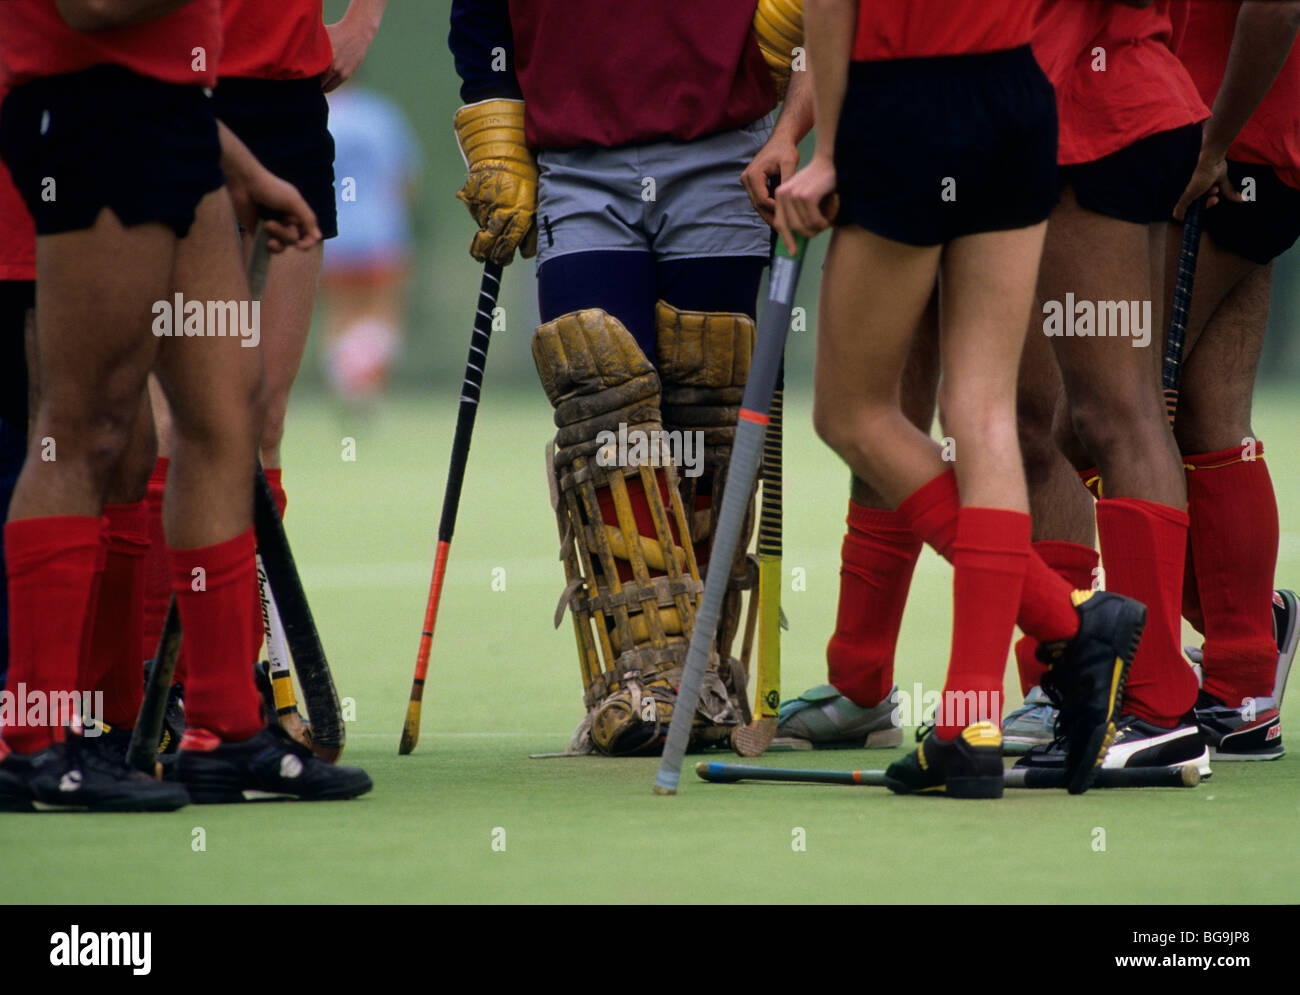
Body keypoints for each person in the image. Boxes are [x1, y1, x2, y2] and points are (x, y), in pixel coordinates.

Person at [0, 0, 370, 810]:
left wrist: (238, 167)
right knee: (84, 428)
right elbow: (92, 6)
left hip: (181, 120)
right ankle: (35, 742)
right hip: (93, 114)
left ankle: (225, 730)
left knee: (222, 420)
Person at [775, 0, 1149, 796]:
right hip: (1015, 94)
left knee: (852, 412)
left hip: (905, 105)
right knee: (981, 409)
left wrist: (828, 152)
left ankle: (1069, 627)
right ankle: (970, 724)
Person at [448, 0, 803, 755]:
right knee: (602, 411)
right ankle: (644, 677)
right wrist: (498, 129)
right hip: (576, 161)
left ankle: (699, 673)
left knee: (705, 416)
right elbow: (480, 13)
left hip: (725, 148)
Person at [140, 0, 389, 746]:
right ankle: (162, 692)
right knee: (169, 421)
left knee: (262, 418)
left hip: (286, 96)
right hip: (177, 91)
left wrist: (362, 19)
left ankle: (245, 689)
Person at [1166, 0, 1300, 760]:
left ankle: (1135, 688)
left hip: (1227, 157)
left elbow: (1276, 6)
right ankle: (1244, 673)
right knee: (1208, 419)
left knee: (1093, 413)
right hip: (1242, 152)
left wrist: (1215, 142)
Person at [320, 82, 420, 407]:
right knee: (382, 315)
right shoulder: (380, 114)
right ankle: (369, 389)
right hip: (381, 232)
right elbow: (404, 179)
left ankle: (349, 387)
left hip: (332, 235)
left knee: (341, 316)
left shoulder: (316, 116)